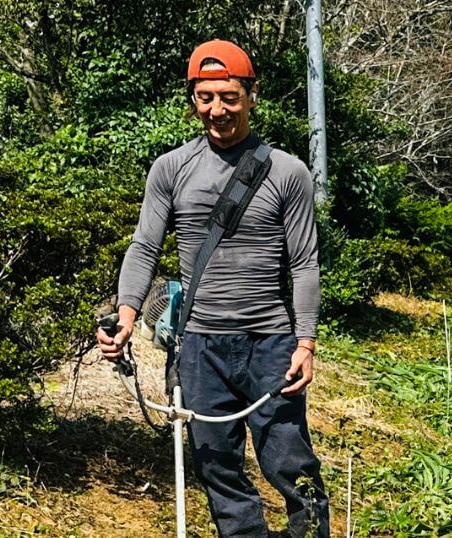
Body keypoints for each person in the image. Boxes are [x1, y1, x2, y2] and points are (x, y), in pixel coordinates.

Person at [96, 39, 330, 537]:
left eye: (228, 96)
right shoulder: (171, 169)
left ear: (251, 94)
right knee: (218, 470)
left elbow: (305, 262)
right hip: (199, 346)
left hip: (271, 345)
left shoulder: (288, 172)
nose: (217, 110)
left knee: (291, 466)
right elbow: (143, 248)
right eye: (205, 97)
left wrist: (305, 342)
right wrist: (126, 317)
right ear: (193, 99)